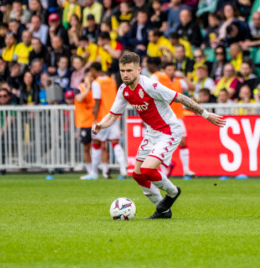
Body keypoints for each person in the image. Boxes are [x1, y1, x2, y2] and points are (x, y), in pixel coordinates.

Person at [92, 51, 225, 219]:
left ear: (139, 70)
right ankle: (162, 210)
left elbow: (181, 98)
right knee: (137, 174)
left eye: (129, 71)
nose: (125, 74)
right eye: (122, 71)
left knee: (148, 169)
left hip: (169, 131)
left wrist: (206, 114)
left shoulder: (150, 86)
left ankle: (173, 192)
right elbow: (112, 115)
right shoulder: (124, 90)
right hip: (152, 132)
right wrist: (100, 125)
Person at [88, 62, 127, 180]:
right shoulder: (111, 80)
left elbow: (98, 101)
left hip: (102, 118)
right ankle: (123, 169)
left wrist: (95, 119)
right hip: (114, 115)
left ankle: (94, 173)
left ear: (94, 70)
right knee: (115, 142)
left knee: (96, 143)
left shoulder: (96, 83)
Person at [74, 70, 95, 179]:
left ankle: (100, 171)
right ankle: (90, 171)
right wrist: (87, 89)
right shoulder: (79, 88)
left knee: (99, 146)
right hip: (83, 123)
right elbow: (79, 98)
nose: (91, 79)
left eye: (92, 77)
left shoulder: (96, 89)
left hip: (96, 122)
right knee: (86, 148)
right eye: (89, 77)